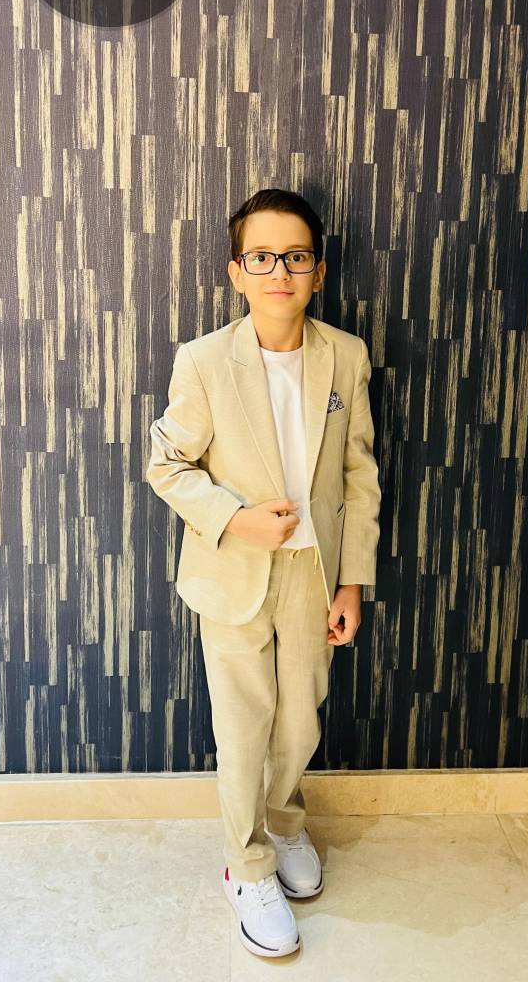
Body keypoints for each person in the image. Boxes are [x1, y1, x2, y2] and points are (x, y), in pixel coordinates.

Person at [146, 187, 381, 958]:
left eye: (296, 257)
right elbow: (166, 464)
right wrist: (234, 517)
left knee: (301, 716)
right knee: (243, 725)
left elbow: (358, 476)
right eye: (262, 257)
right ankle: (244, 865)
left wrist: (350, 581)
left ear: (318, 271)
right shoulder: (204, 360)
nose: (279, 272)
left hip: (314, 572)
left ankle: (283, 824)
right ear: (236, 271)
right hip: (235, 571)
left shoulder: (345, 354)